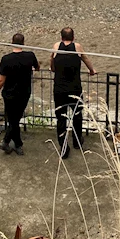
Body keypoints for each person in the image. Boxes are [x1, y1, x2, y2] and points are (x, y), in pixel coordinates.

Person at [0, 33, 40, 155]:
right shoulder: (30, 56)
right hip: (24, 93)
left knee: (13, 120)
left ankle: (7, 142)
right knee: (15, 120)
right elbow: (37, 67)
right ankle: (17, 144)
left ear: (11, 43)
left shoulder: (6, 59)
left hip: (9, 94)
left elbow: (1, 80)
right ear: (23, 43)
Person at [50, 27, 96, 158]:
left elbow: (52, 63)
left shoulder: (56, 46)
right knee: (77, 115)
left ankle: (64, 147)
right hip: (74, 88)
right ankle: (77, 141)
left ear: (61, 37)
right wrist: (92, 70)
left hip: (59, 89)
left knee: (61, 118)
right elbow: (86, 59)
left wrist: (53, 67)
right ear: (73, 37)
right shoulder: (77, 47)